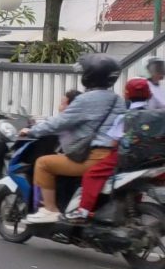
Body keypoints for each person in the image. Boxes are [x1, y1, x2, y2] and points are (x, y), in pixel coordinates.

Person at [20, 54, 124, 224]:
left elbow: (59, 122)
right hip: (114, 156)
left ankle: (49, 210)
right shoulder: (117, 99)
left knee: (43, 163)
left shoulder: (85, 99)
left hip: (94, 157)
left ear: (90, 75)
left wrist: (31, 132)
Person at [65, 78, 151, 223]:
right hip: (149, 158)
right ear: (149, 94)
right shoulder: (155, 114)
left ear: (127, 94)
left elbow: (114, 141)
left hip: (126, 157)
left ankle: (83, 211)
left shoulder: (125, 117)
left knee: (91, 175)